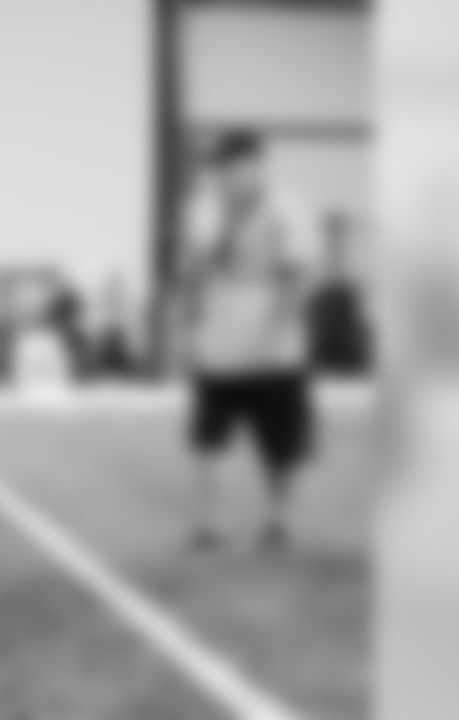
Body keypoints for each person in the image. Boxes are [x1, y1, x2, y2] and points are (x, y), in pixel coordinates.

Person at [175, 131, 322, 551]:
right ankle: (212, 520)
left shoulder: (289, 208)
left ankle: (280, 516)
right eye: (222, 170)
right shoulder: (203, 210)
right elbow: (196, 267)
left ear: (257, 167)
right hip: (219, 344)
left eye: (238, 168)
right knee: (208, 439)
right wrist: (189, 326)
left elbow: (300, 271)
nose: (230, 177)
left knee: (282, 444)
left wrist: (281, 322)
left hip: (275, 349)